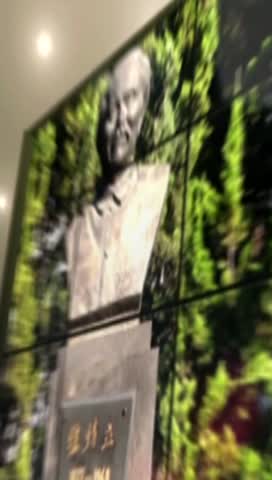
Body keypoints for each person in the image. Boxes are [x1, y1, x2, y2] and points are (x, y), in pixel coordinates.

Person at [66, 47, 171, 324]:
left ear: (144, 106)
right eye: (111, 106)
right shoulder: (78, 227)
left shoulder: (154, 189)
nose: (120, 117)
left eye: (130, 99)